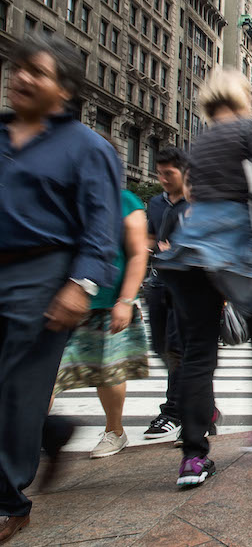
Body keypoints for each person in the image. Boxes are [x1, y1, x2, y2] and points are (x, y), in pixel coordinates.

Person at [0, 34, 121, 543]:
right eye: (19, 67)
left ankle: (8, 502)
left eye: (38, 72)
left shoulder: (88, 148)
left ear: (65, 89)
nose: (22, 78)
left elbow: (102, 227)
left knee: (16, 389)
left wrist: (81, 284)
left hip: (43, 275)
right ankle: (50, 433)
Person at [154, 69, 252, 487]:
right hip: (238, 252)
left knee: (198, 353)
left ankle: (193, 459)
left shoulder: (200, 140)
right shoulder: (251, 127)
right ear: (241, 98)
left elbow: (195, 193)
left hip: (191, 252)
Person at [52, 189, 149, 459]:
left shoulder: (124, 200)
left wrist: (126, 301)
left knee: (109, 371)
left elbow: (138, 252)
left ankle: (114, 431)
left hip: (105, 299)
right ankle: (28, 434)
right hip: (53, 298)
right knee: (42, 374)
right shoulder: (58, 194)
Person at [143, 148, 189, 441]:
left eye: (168, 173)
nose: (162, 179)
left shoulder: (196, 205)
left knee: (178, 349)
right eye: (159, 173)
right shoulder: (155, 204)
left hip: (186, 288)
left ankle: (174, 411)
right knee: (162, 347)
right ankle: (203, 407)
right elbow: (149, 237)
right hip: (157, 283)